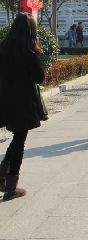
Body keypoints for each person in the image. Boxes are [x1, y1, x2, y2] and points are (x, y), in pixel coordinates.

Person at [0, 13, 46, 200]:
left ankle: (3, 173)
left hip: (4, 99)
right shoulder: (28, 53)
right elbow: (40, 77)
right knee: (19, 140)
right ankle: (11, 186)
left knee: (17, 138)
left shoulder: (2, 48)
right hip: (23, 102)